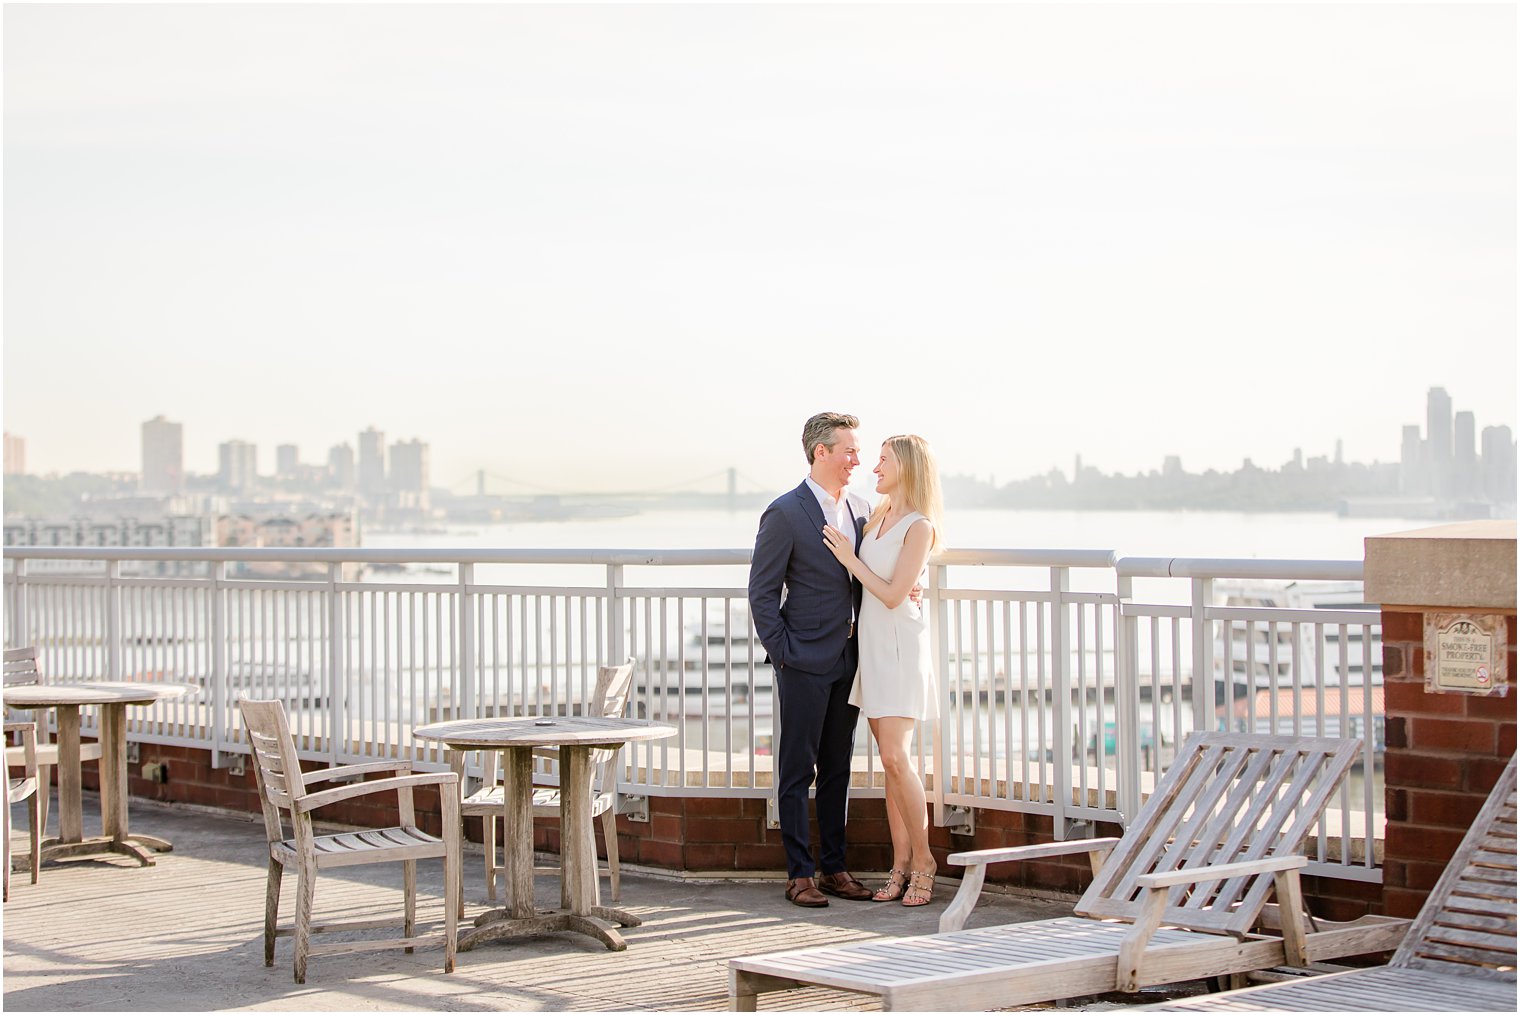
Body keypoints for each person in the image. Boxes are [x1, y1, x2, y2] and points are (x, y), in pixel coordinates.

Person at [747, 412, 876, 908]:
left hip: (850, 657)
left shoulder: (862, 509)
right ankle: (799, 873)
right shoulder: (785, 512)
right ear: (821, 452)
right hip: (803, 661)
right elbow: (762, 593)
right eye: (848, 450)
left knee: (838, 769)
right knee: (797, 770)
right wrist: (784, 654)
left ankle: (835, 869)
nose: (856, 460)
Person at [821, 434, 943, 907]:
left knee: (896, 759)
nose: (874, 467)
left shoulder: (919, 526)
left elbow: (894, 593)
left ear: (907, 467)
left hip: (899, 648)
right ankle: (900, 866)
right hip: (871, 648)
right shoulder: (875, 516)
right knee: (891, 767)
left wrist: (850, 560)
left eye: (884, 461)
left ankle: (926, 862)